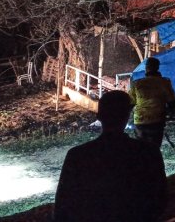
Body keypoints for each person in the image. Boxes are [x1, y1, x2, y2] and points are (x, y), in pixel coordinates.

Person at [54, 90, 167, 222]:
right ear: (127, 116)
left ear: (99, 116)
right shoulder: (148, 153)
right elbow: (160, 200)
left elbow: (62, 205)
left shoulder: (77, 156)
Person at [129, 56, 175, 148]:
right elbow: (172, 101)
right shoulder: (164, 82)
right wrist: (170, 112)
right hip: (157, 120)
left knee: (141, 148)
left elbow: (130, 103)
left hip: (140, 121)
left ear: (146, 68)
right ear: (157, 67)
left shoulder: (137, 83)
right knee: (154, 148)